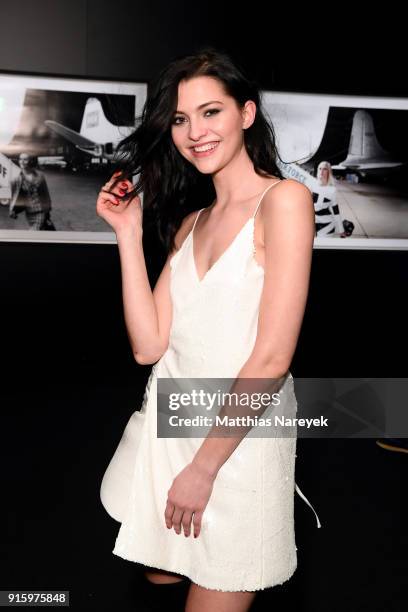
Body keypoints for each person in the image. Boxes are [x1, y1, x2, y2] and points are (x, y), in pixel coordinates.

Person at [97, 47, 321, 611]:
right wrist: (127, 233)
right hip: (174, 429)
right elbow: (149, 346)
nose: (194, 131)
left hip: (235, 447)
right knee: (159, 576)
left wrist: (204, 469)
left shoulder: (285, 201)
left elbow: (272, 358)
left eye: (211, 112)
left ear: (246, 114)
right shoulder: (191, 223)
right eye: (179, 118)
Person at [9, 153, 56, 230]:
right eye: (21, 159)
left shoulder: (40, 175)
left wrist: (48, 209)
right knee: (39, 233)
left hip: (41, 211)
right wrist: (12, 210)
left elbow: (45, 193)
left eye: (25, 159)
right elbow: (14, 196)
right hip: (29, 213)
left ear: (30, 161)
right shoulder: (16, 179)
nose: (22, 161)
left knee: (33, 232)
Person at [314, 160, 353, 237]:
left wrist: (341, 230)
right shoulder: (313, 185)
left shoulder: (332, 190)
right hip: (312, 224)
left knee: (324, 248)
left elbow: (336, 211)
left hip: (327, 225)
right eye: (320, 168)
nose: (321, 171)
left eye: (324, 169)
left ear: (328, 172)